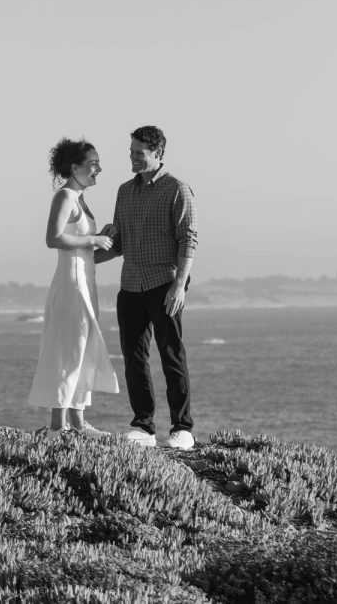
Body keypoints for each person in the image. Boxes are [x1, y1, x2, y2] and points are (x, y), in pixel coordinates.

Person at [95, 125, 198, 450]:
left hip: (164, 285)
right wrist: (83, 258)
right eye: (131, 153)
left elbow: (188, 240)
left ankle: (182, 428)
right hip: (130, 287)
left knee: (171, 356)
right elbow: (118, 243)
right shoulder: (124, 191)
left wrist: (179, 287)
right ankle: (143, 427)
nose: (133, 159)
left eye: (139, 154)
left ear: (157, 154)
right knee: (134, 358)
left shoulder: (177, 189)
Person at [27, 138, 121, 438]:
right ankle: (58, 425)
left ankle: (79, 422)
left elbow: (83, 247)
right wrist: (93, 239)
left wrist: (105, 240)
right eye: (93, 164)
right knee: (68, 349)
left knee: (84, 348)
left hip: (86, 281)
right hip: (70, 285)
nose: (99, 170)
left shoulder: (80, 198)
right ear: (75, 167)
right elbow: (53, 238)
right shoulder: (65, 196)